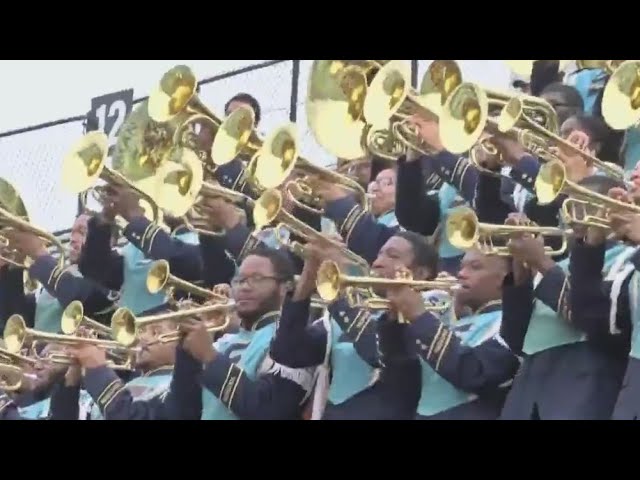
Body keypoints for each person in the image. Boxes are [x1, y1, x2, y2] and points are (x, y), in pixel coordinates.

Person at [271, 231, 440, 420]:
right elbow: (286, 353)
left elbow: (377, 351)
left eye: (392, 256)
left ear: (421, 273)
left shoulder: (431, 310)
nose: (377, 262)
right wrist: (308, 277)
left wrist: (336, 295)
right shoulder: (347, 315)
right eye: (379, 254)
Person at [499, 186, 630, 420]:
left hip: (583, 378)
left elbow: (596, 318)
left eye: (583, 209)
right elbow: (515, 337)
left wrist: (541, 262)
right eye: (570, 210)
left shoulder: (624, 258)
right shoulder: (562, 263)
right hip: (529, 385)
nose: (573, 219)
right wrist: (520, 272)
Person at [170, 247, 315, 420]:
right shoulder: (222, 342)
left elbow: (268, 410)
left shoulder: (292, 339)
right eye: (240, 280)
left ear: (286, 287)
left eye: (257, 278)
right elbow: (183, 412)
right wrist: (186, 354)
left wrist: (209, 357)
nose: (244, 287)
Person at [394, 247, 518, 419]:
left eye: (475, 267)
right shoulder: (450, 320)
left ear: (506, 278)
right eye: (461, 267)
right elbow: (399, 371)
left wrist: (420, 316)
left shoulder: (511, 321)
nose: (461, 274)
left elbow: (475, 373)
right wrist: (393, 319)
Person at [79, 186, 203, 315]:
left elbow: (178, 258)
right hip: (134, 332)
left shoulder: (207, 244)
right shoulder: (136, 247)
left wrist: (134, 215)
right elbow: (95, 269)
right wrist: (104, 219)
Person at [60, 310, 202, 420]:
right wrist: (71, 381)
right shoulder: (128, 383)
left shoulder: (179, 387)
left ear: (182, 343)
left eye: (155, 332)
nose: (141, 338)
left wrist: (97, 367)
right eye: (140, 332)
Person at [0, 214, 119, 333]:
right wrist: (12, 267)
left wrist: (39, 252)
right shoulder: (50, 286)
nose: (72, 239)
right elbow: (13, 321)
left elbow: (79, 297)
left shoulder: (112, 272)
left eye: (82, 232)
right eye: (72, 232)